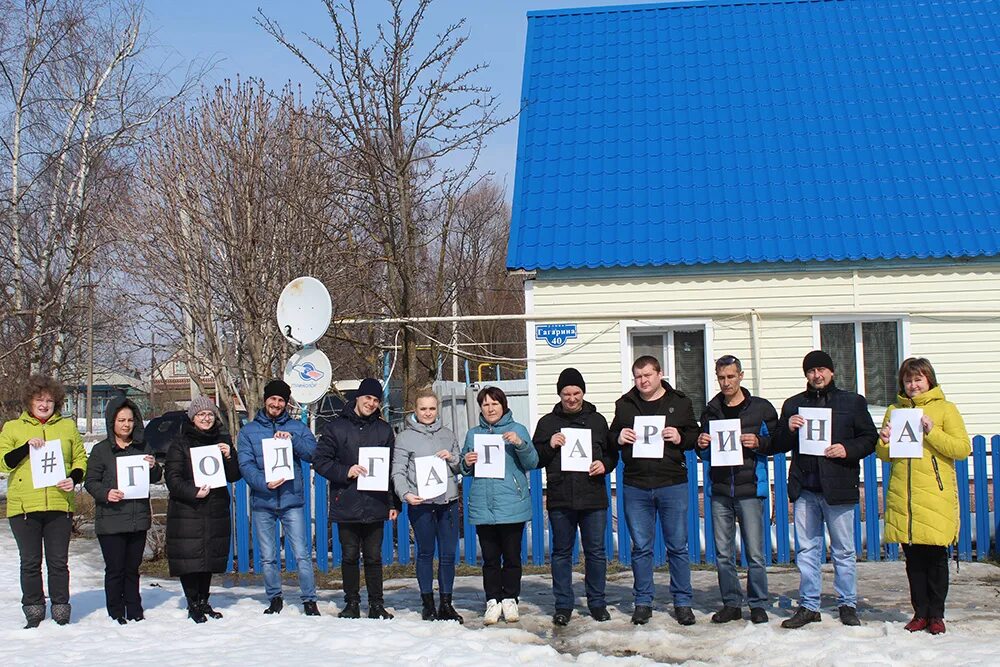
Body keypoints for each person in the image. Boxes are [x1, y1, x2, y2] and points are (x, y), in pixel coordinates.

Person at [765, 350, 876, 628]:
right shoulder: (794, 404)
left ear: (832, 372)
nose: (817, 375)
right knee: (806, 549)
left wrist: (847, 448)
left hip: (838, 486)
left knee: (844, 550)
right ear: (806, 375)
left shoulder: (851, 402)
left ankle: (847, 604)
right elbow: (777, 445)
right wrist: (788, 428)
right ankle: (809, 605)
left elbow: (869, 438)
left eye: (822, 370)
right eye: (812, 371)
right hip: (806, 488)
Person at [876, 357, 970, 635]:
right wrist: (883, 440)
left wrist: (932, 431)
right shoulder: (895, 410)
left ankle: (936, 615)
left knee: (936, 558)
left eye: (918, 379)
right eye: (908, 380)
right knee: (913, 560)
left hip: (934, 495)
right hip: (904, 496)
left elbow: (961, 448)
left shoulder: (945, 409)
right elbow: (885, 455)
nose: (913, 385)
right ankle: (920, 613)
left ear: (929, 380)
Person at [610, 355, 699, 626]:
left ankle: (682, 602)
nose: (643, 381)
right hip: (636, 485)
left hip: (672, 482)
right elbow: (611, 436)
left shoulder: (680, 402)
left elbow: (695, 435)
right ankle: (643, 602)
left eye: (647, 375)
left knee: (677, 547)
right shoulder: (625, 404)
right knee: (641, 548)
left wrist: (681, 438)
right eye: (638, 376)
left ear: (660, 374)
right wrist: (618, 437)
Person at [695, 355, 778, 625]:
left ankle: (758, 603)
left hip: (750, 488)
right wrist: (701, 444)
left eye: (731, 376)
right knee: (723, 553)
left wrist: (760, 442)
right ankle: (731, 603)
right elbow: (701, 450)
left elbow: (777, 441)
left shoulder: (761, 408)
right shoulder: (710, 410)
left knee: (755, 552)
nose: (726, 382)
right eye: (721, 377)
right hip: (720, 489)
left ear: (741, 376)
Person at [0, 375, 87, 628]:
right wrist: (26, 447)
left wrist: (74, 478)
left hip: (59, 505)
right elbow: (3, 461)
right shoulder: (13, 428)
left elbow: (81, 458)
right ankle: (34, 608)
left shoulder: (67, 427)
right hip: (24, 507)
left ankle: (61, 607)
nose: (44, 404)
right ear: (29, 401)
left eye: (49, 400)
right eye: (39, 399)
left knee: (58, 561)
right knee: (30, 561)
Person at [532, 368, 616, 626]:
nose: (571, 398)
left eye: (576, 393)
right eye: (566, 393)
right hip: (561, 497)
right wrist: (550, 445)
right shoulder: (547, 423)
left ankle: (597, 602)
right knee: (561, 553)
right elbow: (536, 458)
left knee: (596, 553)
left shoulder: (598, 420)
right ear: (559, 394)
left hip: (593, 496)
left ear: (583, 393)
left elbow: (612, 453)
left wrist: (604, 464)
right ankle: (563, 604)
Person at [313, 378, 399, 620]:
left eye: (375, 400)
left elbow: (391, 470)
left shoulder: (384, 430)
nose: (371, 403)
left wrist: (393, 504)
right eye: (367, 398)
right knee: (349, 556)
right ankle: (351, 603)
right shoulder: (335, 428)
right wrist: (345, 471)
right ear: (358, 398)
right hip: (346, 500)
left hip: (376, 503)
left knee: (374, 557)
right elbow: (320, 461)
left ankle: (376, 604)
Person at [237, 380, 319, 616]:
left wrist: (292, 440)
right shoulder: (248, 431)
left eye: (281, 400)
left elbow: (313, 453)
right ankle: (274, 597)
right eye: (273, 399)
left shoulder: (297, 427)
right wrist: (263, 483)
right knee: (268, 556)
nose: (276, 403)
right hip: (263, 502)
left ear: (286, 403)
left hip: (291, 500)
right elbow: (246, 464)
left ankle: (309, 599)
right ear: (265, 400)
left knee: (302, 553)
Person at [461, 386, 538, 626]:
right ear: (480, 408)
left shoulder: (517, 429)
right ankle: (492, 600)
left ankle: (510, 598)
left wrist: (520, 443)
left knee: (512, 557)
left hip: (511, 504)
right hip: (484, 505)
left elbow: (532, 461)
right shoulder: (473, 434)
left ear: (503, 405)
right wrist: (467, 461)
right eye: (485, 404)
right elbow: (464, 468)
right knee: (491, 558)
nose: (490, 408)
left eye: (495, 403)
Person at [84, 396, 162, 624]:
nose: (126, 425)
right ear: (112, 422)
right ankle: (115, 610)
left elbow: (156, 477)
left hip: (137, 518)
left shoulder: (143, 446)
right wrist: (106, 493)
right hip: (111, 518)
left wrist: (153, 466)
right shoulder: (101, 451)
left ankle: (134, 607)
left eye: (130, 420)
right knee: (115, 568)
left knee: (132, 568)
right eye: (121, 420)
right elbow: (91, 481)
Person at [164, 396, 241, 623]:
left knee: (207, 557)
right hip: (188, 509)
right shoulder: (180, 442)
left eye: (209, 414)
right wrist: (192, 491)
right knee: (190, 558)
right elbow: (172, 477)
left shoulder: (221, 440)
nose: (206, 418)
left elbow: (235, 475)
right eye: (201, 415)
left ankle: (204, 600)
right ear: (192, 418)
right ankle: (192, 602)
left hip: (215, 507)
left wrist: (229, 456)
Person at [391, 388, 464, 623]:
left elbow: (460, 466)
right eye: (423, 408)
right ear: (415, 409)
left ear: (437, 409)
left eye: (432, 408)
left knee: (448, 554)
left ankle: (446, 603)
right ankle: (427, 603)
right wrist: (406, 494)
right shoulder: (404, 437)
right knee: (424, 552)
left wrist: (452, 458)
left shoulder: (448, 434)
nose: (428, 413)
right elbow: (398, 471)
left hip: (447, 501)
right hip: (421, 503)